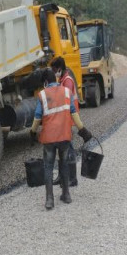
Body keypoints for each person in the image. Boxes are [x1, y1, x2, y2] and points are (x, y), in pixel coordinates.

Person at [30, 69, 93, 210]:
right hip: (64, 136)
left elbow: (37, 117)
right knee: (64, 164)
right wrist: (82, 130)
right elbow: (73, 113)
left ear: (45, 82)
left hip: (49, 139)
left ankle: (49, 200)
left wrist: (32, 132)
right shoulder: (66, 92)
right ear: (55, 79)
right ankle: (66, 195)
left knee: (48, 167)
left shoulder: (42, 94)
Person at [50, 57, 79, 186]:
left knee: (69, 149)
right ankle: (62, 177)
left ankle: (72, 178)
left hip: (68, 119)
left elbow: (67, 103)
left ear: (60, 68)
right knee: (62, 149)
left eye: (54, 69)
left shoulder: (67, 81)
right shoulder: (61, 80)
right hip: (63, 120)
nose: (53, 71)